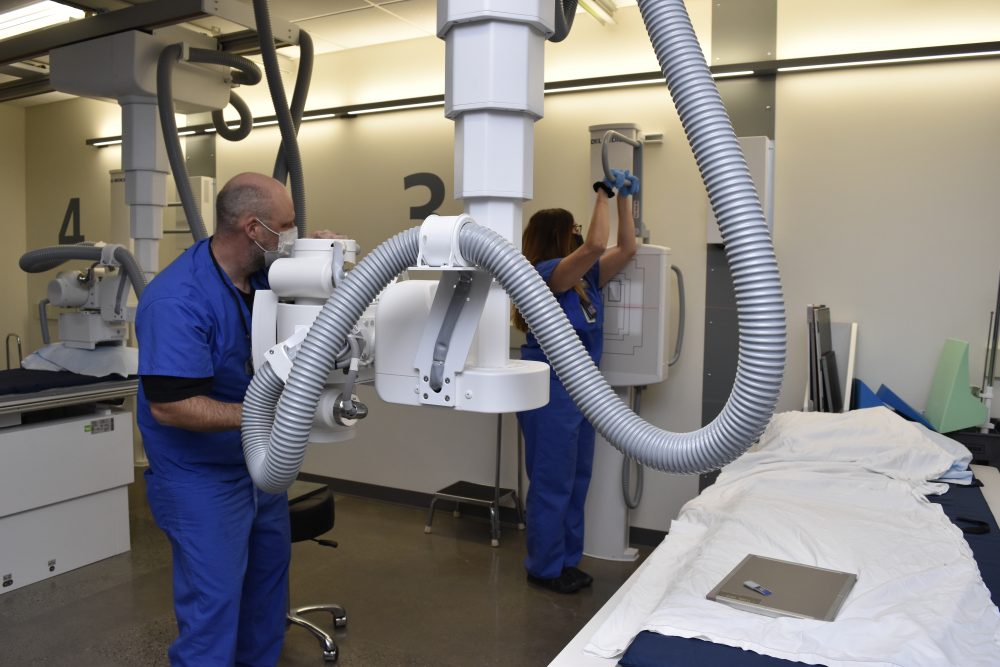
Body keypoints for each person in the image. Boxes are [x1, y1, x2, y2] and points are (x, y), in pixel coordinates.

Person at [136, 172, 327, 666]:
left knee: (266, 595)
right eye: (286, 227)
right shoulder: (179, 299)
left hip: (257, 466)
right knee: (213, 608)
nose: (293, 235)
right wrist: (262, 413)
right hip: (199, 477)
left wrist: (320, 260)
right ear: (253, 229)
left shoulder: (265, 275)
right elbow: (170, 405)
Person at [514, 169, 639, 594]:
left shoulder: (585, 282)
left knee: (577, 478)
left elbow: (626, 248)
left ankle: (566, 560)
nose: (581, 234)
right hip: (551, 387)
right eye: (574, 230)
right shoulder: (545, 275)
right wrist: (601, 193)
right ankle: (544, 567)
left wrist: (624, 197)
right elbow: (597, 245)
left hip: (583, 388)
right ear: (559, 237)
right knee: (552, 480)